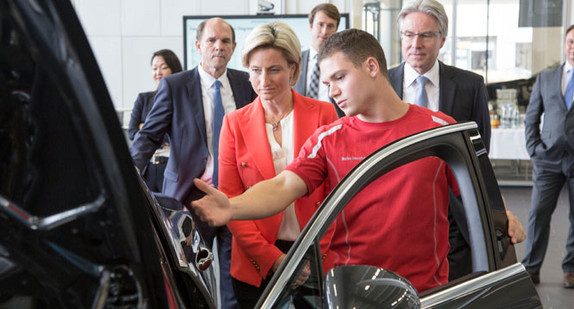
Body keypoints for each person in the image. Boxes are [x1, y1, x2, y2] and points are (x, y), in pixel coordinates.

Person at [192, 28, 526, 293]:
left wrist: (502, 217)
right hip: (351, 292)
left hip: (424, 292)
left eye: (339, 78)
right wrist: (233, 208)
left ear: (371, 66)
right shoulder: (329, 138)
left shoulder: (439, 130)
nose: (332, 91)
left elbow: (477, 192)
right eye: (326, 83)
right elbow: (283, 186)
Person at [129, 18, 257, 308]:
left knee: (233, 278)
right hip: (188, 197)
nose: (218, 47)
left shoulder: (245, 84)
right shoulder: (175, 86)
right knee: (191, 279)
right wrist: (128, 174)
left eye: (225, 41)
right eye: (212, 41)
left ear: (233, 47)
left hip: (235, 196)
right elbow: (149, 135)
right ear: (198, 45)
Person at [219, 21, 338, 308]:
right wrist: (274, 260)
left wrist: (309, 257)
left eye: (274, 70)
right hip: (256, 263)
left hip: (316, 257)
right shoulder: (234, 124)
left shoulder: (324, 114)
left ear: (293, 70)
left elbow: (337, 195)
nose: (264, 81)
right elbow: (231, 203)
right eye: (255, 71)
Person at [388, 0, 491, 281]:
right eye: (409, 35)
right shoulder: (382, 84)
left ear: (442, 39)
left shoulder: (470, 86)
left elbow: (479, 155)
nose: (416, 43)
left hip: (453, 215)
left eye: (426, 35)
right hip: (395, 210)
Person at [522, 24, 574, 288]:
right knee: (538, 214)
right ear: (565, 45)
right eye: (571, 42)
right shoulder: (546, 78)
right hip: (548, 159)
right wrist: (534, 149)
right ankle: (531, 268)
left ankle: (571, 269)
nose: (573, 47)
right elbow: (532, 118)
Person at [128, 49, 182, 192]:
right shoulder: (143, 99)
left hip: (170, 168)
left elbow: (177, 136)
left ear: (174, 69)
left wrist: (145, 126)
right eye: (154, 68)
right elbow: (132, 132)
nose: (158, 72)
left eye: (164, 67)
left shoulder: (181, 101)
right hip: (148, 167)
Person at [293, 3, 345, 117]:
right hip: (302, 124)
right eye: (320, 25)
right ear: (311, 26)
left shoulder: (344, 62)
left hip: (335, 124)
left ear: (336, 29)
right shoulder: (294, 61)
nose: (325, 31)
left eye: (330, 26)